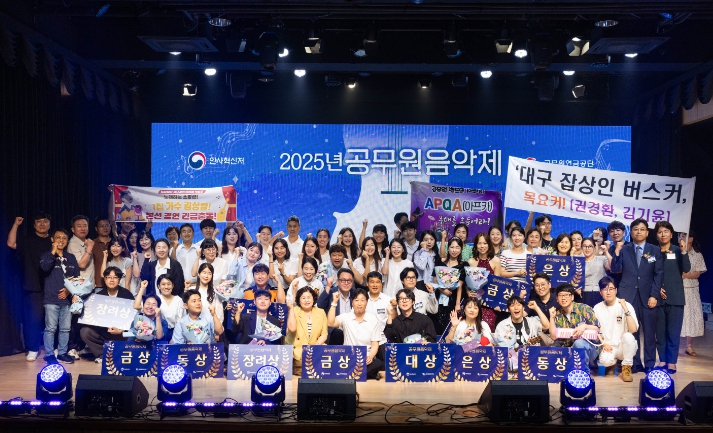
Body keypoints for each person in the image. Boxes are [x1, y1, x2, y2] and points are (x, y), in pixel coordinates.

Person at [610, 218, 663, 373]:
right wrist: (617, 251)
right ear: (630, 232)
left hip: (648, 297)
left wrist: (654, 295)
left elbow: (659, 274)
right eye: (635, 229)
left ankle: (650, 365)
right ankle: (634, 363)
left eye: (642, 229)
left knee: (649, 333)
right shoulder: (624, 249)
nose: (638, 232)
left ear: (647, 232)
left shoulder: (654, 250)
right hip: (628, 296)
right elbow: (615, 269)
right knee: (631, 332)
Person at [6, 213, 52, 362]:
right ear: (34, 225)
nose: (42, 224)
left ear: (49, 224)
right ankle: (33, 348)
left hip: (53, 286)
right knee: (33, 320)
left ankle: (55, 348)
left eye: (45, 221)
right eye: (39, 221)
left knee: (53, 319)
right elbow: (11, 244)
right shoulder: (27, 240)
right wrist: (16, 225)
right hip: (33, 285)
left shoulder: (54, 240)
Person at [655, 221, 690, 374]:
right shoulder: (651, 252)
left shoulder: (677, 250)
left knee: (673, 332)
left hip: (675, 297)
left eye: (666, 231)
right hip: (657, 298)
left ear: (671, 234)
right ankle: (662, 360)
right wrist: (657, 289)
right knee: (660, 332)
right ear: (656, 235)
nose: (663, 234)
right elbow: (648, 274)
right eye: (660, 232)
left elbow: (686, 268)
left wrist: (684, 251)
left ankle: (672, 362)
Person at [40, 228, 80, 364]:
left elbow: (76, 277)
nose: (61, 240)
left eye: (64, 238)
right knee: (50, 329)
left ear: (67, 241)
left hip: (67, 300)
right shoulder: (46, 256)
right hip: (51, 299)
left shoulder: (71, 257)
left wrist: (69, 291)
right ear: (52, 239)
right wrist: (53, 252)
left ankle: (62, 353)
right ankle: (50, 354)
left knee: (65, 329)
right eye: (58, 237)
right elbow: (45, 268)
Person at [78, 267, 135, 363]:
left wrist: (121, 330)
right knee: (85, 332)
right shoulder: (98, 296)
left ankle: (121, 353)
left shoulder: (127, 295)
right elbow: (92, 316)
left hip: (122, 333)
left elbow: (132, 317)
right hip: (104, 332)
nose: (112, 280)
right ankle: (102, 355)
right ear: (104, 279)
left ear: (119, 280)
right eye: (109, 277)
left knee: (132, 333)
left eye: (115, 277)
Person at [327, 288, 384, 379]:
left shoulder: (373, 320)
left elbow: (375, 344)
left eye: (362, 300)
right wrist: (334, 303)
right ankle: (364, 374)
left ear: (367, 302)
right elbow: (330, 323)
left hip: (365, 358)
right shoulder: (346, 317)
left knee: (378, 363)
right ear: (352, 302)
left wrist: (370, 357)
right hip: (348, 358)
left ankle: (350, 375)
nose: (359, 303)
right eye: (356, 300)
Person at [593, 277, 638, 382]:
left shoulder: (626, 305)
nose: (608, 292)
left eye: (611, 289)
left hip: (623, 346)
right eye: (605, 289)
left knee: (628, 337)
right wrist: (603, 343)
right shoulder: (597, 308)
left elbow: (633, 329)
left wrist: (625, 310)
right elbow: (595, 330)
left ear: (616, 290)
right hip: (608, 346)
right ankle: (611, 365)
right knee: (605, 360)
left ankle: (626, 367)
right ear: (600, 292)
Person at [549, 284, 601, 370]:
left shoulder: (584, 308)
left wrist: (585, 326)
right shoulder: (557, 314)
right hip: (570, 349)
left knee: (579, 343)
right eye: (561, 295)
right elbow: (554, 336)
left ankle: (584, 372)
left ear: (572, 297)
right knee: (553, 347)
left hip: (590, 348)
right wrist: (551, 317)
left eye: (566, 295)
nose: (563, 298)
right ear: (557, 299)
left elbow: (597, 329)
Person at [494, 296, 548, 372]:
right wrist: (505, 352)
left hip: (532, 363)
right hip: (510, 366)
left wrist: (536, 308)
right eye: (512, 305)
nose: (516, 308)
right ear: (509, 310)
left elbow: (546, 326)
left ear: (523, 308)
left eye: (519, 305)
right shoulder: (502, 325)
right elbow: (497, 346)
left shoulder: (532, 321)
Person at [461, 233, 502, 329]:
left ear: (489, 244)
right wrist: (468, 291)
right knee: (471, 329)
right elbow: (467, 283)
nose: (482, 246)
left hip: (489, 304)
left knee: (487, 329)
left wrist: (497, 303)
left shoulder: (496, 261)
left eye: (485, 243)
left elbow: (497, 284)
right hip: (474, 302)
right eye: (479, 243)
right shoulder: (471, 262)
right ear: (475, 245)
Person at [287, 287, 328, 375]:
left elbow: (324, 334)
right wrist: (291, 309)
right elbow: (292, 328)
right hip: (299, 350)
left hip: (316, 348)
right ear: (299, 300)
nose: (306, 300)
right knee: (303, 371)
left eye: (309, 297)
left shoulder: (321, 312)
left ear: (313, 299)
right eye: (303, 298)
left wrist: (316, 345)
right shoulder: (294, 310)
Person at [432, 237, 467, 335]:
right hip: (439, 297)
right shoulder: (440, 262)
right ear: (448, 248)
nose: (454, 250)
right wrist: (443, 290)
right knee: (437, 323)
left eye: (457, 247)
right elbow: (435, 280)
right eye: (452, 247)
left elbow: (460, 286)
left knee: (450, 325)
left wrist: (457, 304)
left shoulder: (463, 265)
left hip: (453, 298)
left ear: (461, 249)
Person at [680, 231, 706, 357]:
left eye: (684, 235)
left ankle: (689, 346)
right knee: (678, 317)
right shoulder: (676, 253)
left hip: (692, 289)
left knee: (691, 316)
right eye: (680, 235)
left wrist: (685, 275)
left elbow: (697, 273)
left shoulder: (697, 255)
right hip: (678, 288)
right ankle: (672, 344)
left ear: (690, 239)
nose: (681, 238)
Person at [134, 275, 183, 342]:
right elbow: (136, 306)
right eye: (163, 284)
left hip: (174, 332)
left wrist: (174, 338)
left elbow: (180, 321)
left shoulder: (178, 300)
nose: (166, 287)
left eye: (169, 284)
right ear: (158, 286)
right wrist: (142, 288)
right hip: (157, 329)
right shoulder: (155, 299)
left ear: (172, 286)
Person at [524, 273, 559, 346]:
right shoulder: (532, 301)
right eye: (537, 285)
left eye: (543, 284)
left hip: (557, 336)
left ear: (549, 285)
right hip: (539, 336)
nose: (540, 287)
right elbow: (521, 315)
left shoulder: (558, 299)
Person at [582, 237, 613, 307]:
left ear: (594, 247)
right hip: (583, 294)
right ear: (581, 247)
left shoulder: (602, 259)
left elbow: (612, 267)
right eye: (584, 246)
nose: (587, 249)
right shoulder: (578, 261)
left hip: (599, 293)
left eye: (590, 246)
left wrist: (606, 252)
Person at [364, 271, 390, 348]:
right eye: (372, 282)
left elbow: (393, 320)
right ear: (367, 283)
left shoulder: (388, 300)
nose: (375, 285)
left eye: (378, 282)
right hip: (365, 340)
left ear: (381, 284)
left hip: (383, 340)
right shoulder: (361, 299)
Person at [67, 215, 95, 284]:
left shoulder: (87, 242)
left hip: (89, 284)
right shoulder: (72, 244)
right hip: (80, 285)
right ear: (73, 229)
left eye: (85, 226)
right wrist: (89, 247)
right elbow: (81, 265)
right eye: (79, 226)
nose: (83, 228)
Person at [130, 230, 155, 295]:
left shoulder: (157, 253)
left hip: (156, 287)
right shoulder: (136, 254)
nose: (144, 242)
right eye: (141, 240)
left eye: (146, 239)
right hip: (142, 289)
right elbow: (136, 275)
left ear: (151, 240)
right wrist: (135, 258)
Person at [91, 216, 113, 288]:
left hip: (115, 283)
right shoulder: (91, 244)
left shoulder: (115, 243)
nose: (105, 228)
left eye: (107, 225)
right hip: (98, 284)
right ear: (96, 229)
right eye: (102, 226)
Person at [606, 220, 628, 287]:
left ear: (624, 233)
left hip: (628, 286)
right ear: (609, 235)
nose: (615, 233)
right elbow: (608, 269)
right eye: (612, 231)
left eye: (618, 230)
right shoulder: (609, 250)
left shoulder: (631, 247)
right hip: (613, 285)